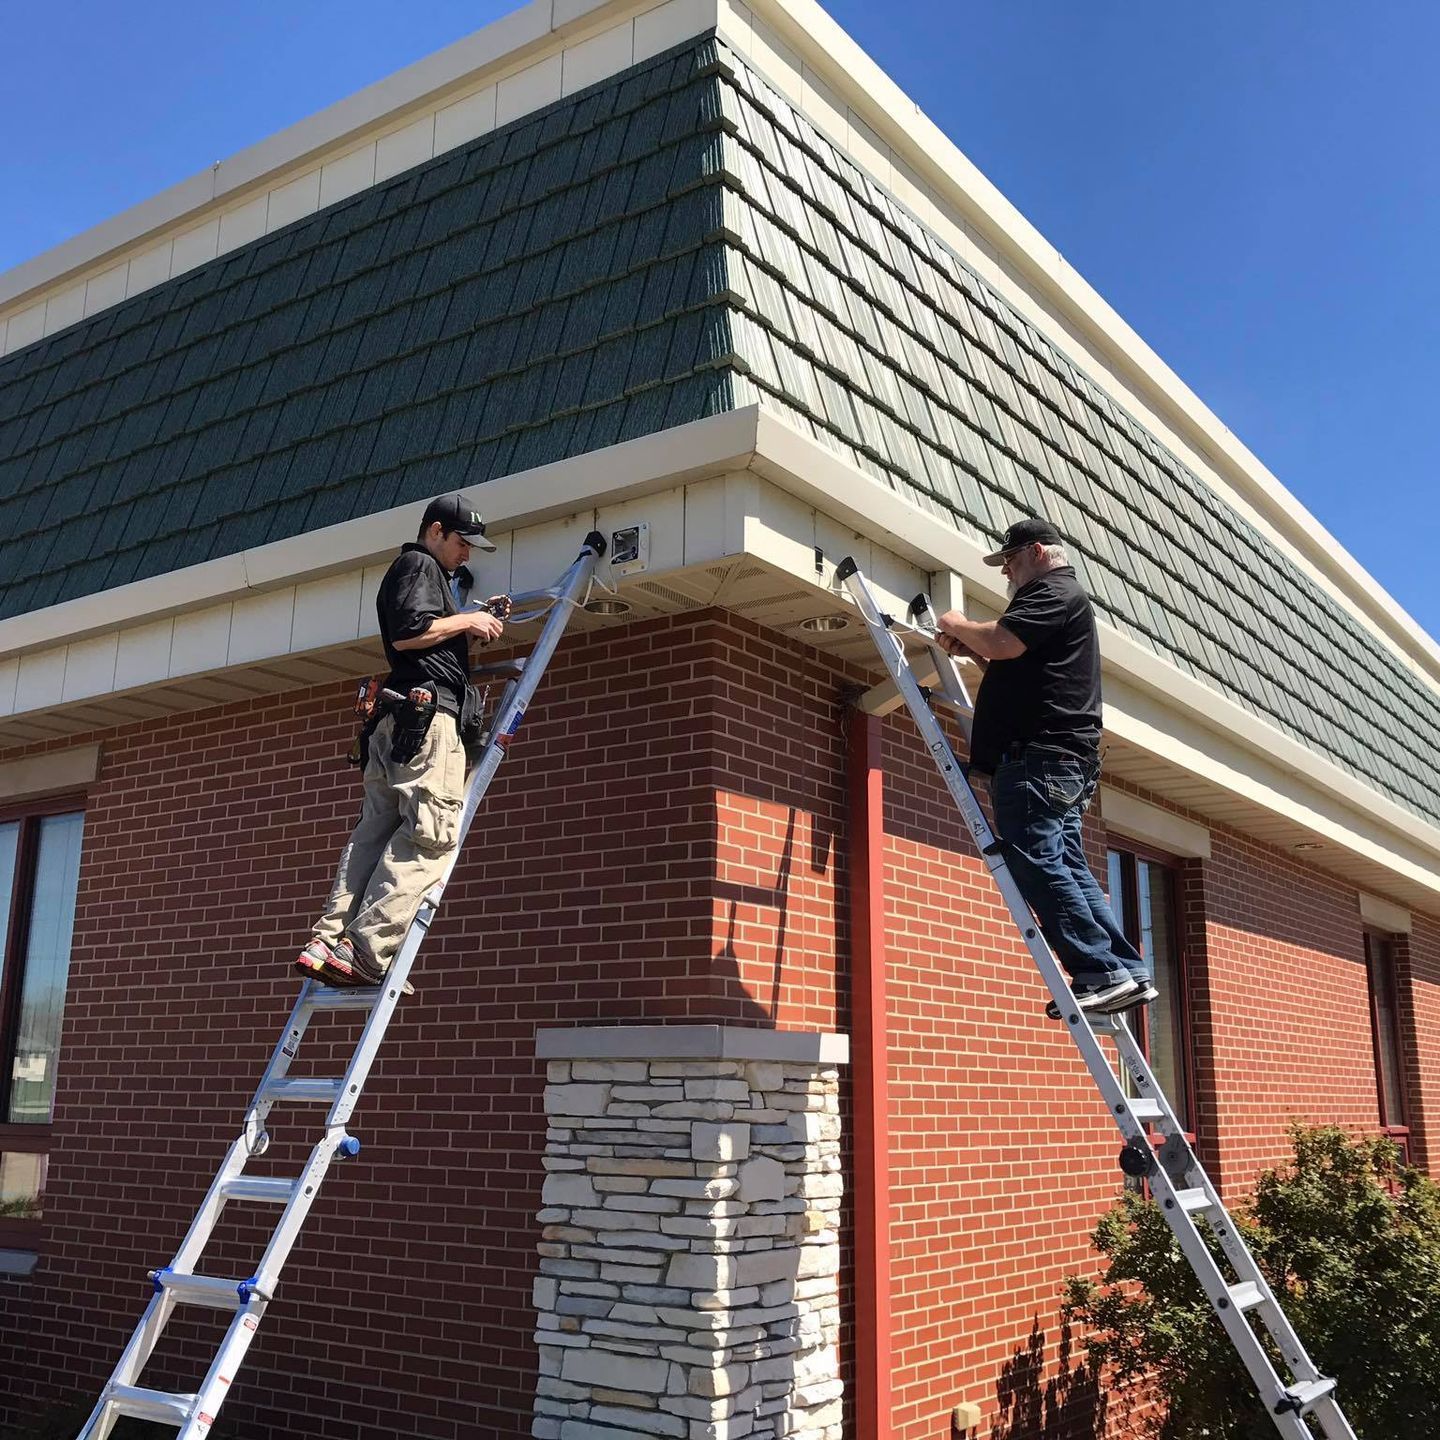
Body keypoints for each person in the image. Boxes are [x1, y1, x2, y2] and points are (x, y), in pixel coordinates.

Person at [936, 517, 1155, 1014]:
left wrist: (955, 624)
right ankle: (1125, 967)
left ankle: (1098, 970)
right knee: (1068, 864)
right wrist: (976, 650)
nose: (1007, 573)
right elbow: (1015, 663)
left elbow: (1004, 641)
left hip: (1040, 758)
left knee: (1035, 860)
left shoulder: (1052, 591)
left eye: (1010, 561)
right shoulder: (1061, 601)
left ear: (1037, 552)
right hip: (1060, 760)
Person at [296, 493, 507, 988]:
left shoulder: (422, 574)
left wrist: (468, 625)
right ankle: (366, 948)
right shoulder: (416, 563)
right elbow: (409, 633)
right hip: (427, 726)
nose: (467, 555)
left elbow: (422, 637)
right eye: (461, 542)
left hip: (400, 726)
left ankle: (327, 941)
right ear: (435, 531)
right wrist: (468, 620)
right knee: (430, 837)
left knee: (374, 832)